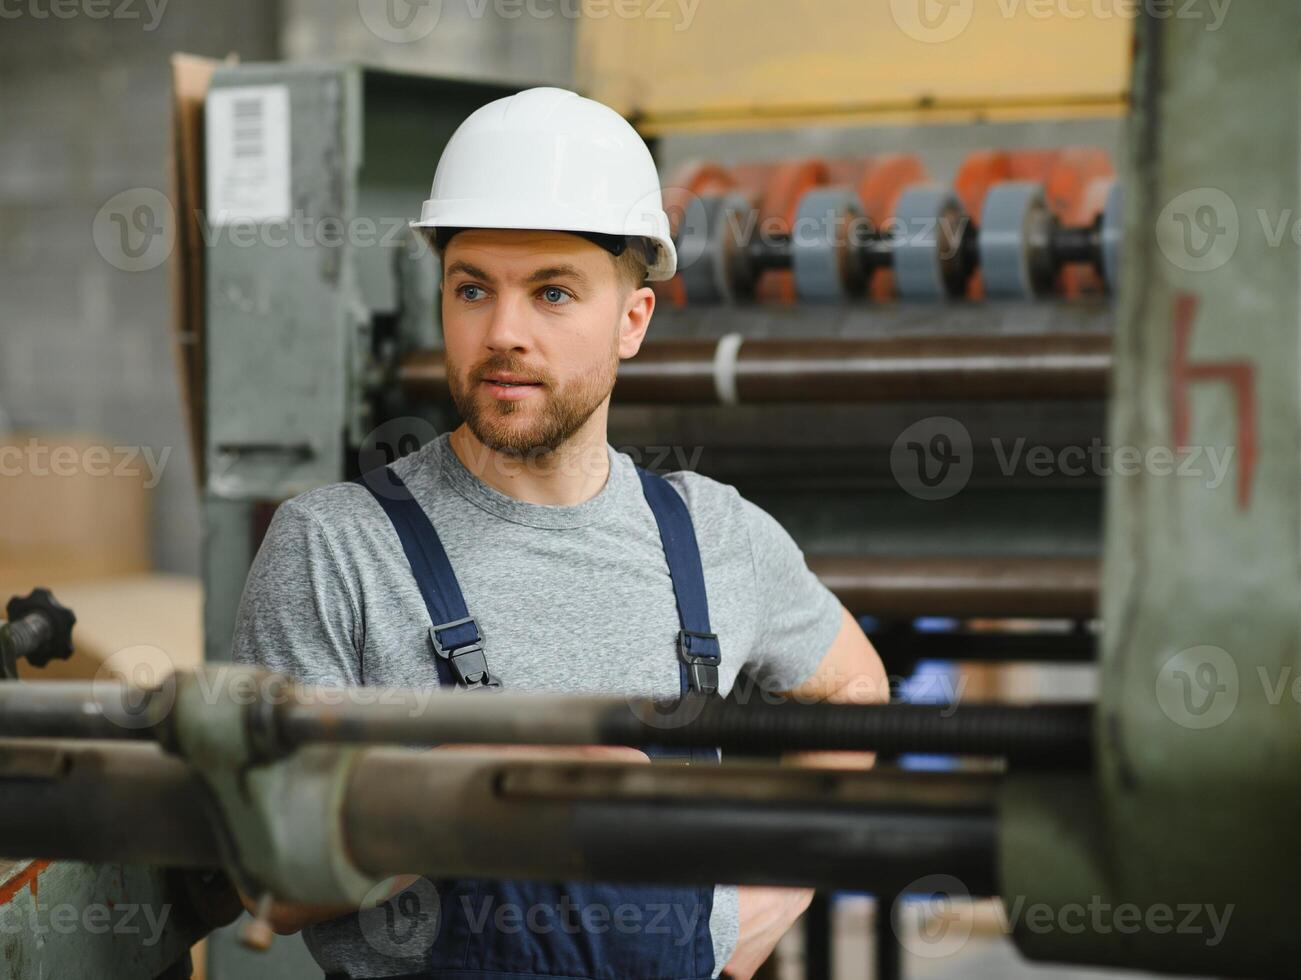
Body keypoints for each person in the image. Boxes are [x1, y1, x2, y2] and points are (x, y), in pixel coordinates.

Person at [231, 85, 888, 980]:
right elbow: (268, 881)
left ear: (631, 321)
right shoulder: (333, 548)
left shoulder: (711, 534)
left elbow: (854, 685)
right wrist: (476, 788)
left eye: (551, 293)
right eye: (472, 290)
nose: (502, 334)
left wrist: (777, 887)